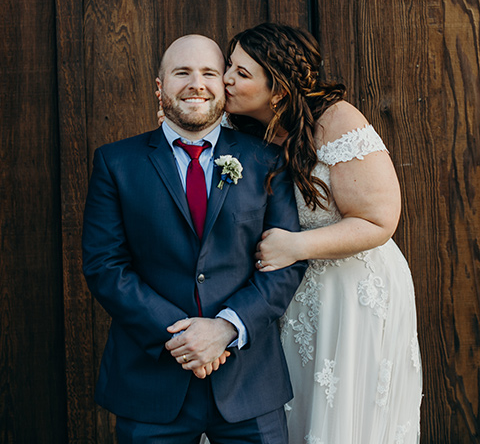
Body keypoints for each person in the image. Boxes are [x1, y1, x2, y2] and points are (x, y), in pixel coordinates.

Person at [82, 34, 307, 444]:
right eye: (181, 72)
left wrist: (225, 328)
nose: (196, 83)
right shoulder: (116, 163)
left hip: (248, 384)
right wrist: (185, 339)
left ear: (223, 85)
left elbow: (286, 262)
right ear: (160, 86)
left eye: (208, 72)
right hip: (150, 387)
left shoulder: (267, 161)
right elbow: (105, 265)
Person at [220, 23, 422, 444]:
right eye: (228, 67)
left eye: (241, 73)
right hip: (291, 293)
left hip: (352, 292)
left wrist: (296, 245)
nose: (225, 80)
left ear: (276, 89)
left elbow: (379, 219)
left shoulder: (336, 120)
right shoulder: (243, 131)